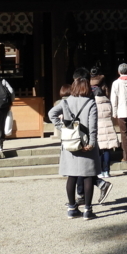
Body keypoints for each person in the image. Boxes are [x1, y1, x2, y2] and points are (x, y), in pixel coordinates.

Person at [48, 77, 100, 219]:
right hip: (85, 142)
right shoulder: (90, 103)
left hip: (70, 142)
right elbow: (93, 126)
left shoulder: (65, 101)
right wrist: (92, 142)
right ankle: (88, 210)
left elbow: (51, 114)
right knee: (88, 176)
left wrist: (63, 128)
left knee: (72, 175)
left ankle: (72, 208)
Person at [93, 82, 120, 178]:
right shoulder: (108, 102)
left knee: (100, 150)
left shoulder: (93, 103)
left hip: (98, 126)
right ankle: (107, 170)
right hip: (108, 125)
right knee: (108, 149)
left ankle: (100, 171)